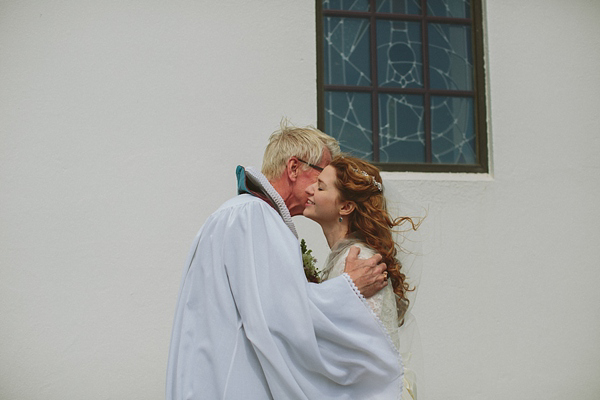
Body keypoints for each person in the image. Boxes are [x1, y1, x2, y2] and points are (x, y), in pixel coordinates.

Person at [166, 123, 403, 399]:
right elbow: (280, 316)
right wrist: (347, 289)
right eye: (319, 176)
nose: (317, 189)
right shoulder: (251, 216)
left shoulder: (244, 213)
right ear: (293, 168)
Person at [303, 155, 421, 400]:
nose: (309, 189)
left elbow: (367, 351)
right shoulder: (343, 257)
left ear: (345, 207)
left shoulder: (361, 261)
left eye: (321, 186)